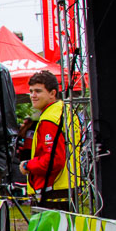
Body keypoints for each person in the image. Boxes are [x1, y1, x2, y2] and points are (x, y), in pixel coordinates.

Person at [19, 70, 77, 210]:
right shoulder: (65, 110)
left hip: (52, 190)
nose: (33, 95)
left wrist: (27, 165)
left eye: (38, 91)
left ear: (52, 93)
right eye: (31, 91)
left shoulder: (49, 119)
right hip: (68, 185)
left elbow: (53, 161)